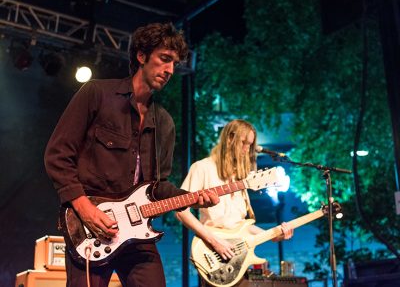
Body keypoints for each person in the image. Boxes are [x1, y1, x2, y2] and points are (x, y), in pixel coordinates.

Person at [44, 22, 218, 287]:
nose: (170, 69)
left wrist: (194, 199)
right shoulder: (97, 94)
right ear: (141, 55)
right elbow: (57, 154)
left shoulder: (165, 122)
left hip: (138, 233)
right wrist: (84, 208)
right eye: (164, 59)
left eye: (174, 63)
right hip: (90, 226)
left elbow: (158, 187)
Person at [175, 119, 294, 286]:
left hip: (237, 258)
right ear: (229, 138)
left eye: (250, 145)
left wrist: (274, 234)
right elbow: (180, 210)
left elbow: (241, 225)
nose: (246, 149)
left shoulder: (241, 178)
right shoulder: (202, 168)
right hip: (213, 256)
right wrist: (215, 241)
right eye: (243, 143)